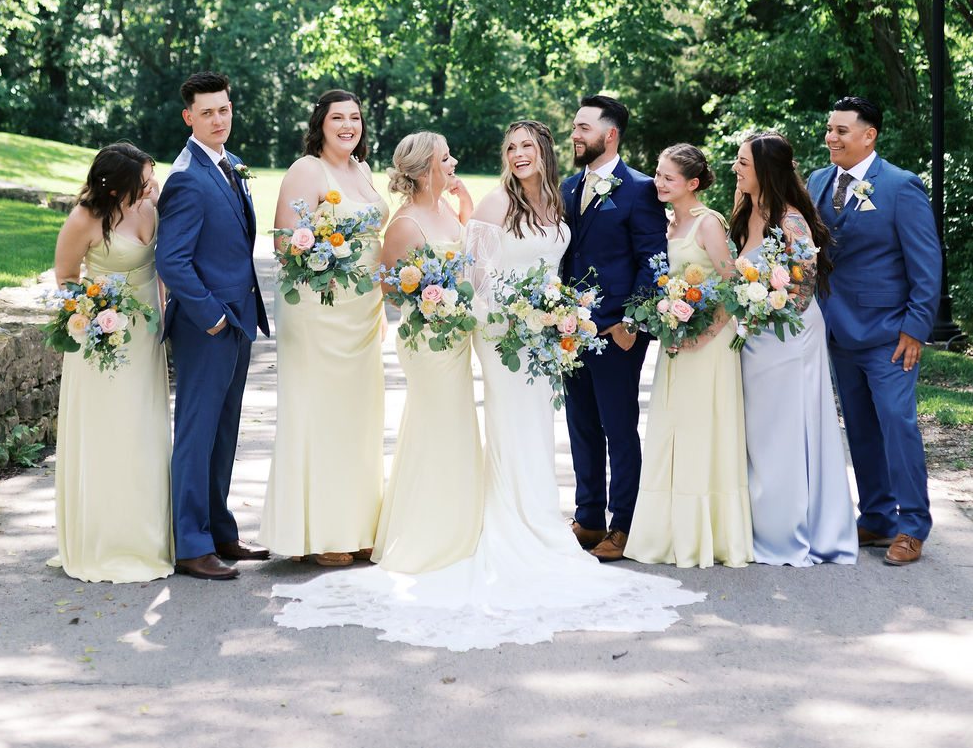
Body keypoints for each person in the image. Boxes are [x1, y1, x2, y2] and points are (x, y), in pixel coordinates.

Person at [270, 119, 703, 648]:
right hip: (504, 334)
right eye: (511, 146)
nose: (518, 154)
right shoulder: (498, 205)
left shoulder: (560, 200)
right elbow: (474, 279)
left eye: (527, 146)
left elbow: (566, 264)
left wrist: (557, 314)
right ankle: (512, 529)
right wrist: (515, 314)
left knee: (536, 429)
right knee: (513, 424)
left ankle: (537, 520)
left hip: (546, 335)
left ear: (544, 151)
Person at [809, 96, 941, 566]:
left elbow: (926, 264)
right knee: (860, 428)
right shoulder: (817, 181)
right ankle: (878, 517)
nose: (831, 137)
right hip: (836, 329)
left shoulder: (901, 186)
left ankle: (913, 525)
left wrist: (915, 329)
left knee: (897, 425)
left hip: (889, 333)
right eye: (829, 129)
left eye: (841, 130)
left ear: (869, 136)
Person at [260, 89, 388, 565]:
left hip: (362, 312)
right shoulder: (307, 170)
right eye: (338, 118)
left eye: (355, 117)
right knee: (319, 413)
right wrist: (326, 259)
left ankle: (356, 525)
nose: (348, 126)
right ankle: (318, 534)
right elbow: (283, 242)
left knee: (359, 416)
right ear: (321, 124)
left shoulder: (363, 170)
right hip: (318, 310)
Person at [156, 70, 270, 580]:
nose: (218, 119)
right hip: (208, 327)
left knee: (224, 431)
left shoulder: (229, 163)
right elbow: (172, 261)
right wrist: (213, 317)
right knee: (197, 433)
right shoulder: (186, 177)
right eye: (207, 112)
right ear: (189, 117)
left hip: (237, 319)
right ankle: (191, 545)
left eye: (223, 109)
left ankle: (221, 531)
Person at [732, 133, 858, 566]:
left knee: (786, 429)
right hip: (753, 336)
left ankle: (789, 531)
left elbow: (803, 286)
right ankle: (759, 523)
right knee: (758, 431)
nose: (735, 169)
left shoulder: (792, 221)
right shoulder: (745, 210)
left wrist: (761, 309)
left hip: (788, 336)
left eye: (743, 163)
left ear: (765, 170)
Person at [625, 145, 753, 568]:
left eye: (668, 178)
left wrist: (705, 335)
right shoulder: (666, 222)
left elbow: (732, 286)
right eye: (657, 174)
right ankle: (667, 531)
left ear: (692, 183)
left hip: (708, 345)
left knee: (700, 429)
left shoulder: (708, 222)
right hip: (676, 340)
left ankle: (706, 533)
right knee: (671, 427)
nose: (658, 182)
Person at [51, 143, 173, 583]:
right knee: (110, 430)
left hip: (146, 336)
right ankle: (107, 538)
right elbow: (66, 278)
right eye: (143, 181)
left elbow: (162, 267)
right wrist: (94, 315)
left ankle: (150, 535)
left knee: (144, 428)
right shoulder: (85, 218)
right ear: (116, 187)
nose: (151, 185)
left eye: (151, 177)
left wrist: (166, 317)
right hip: (103, 344)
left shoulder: (151, 207)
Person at [559, 95, 668, 560]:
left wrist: (631, 323)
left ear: (610, 135)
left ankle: (624, 524)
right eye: (575, 127)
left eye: (583, 128)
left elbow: (654, 261)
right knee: (580, 425)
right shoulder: (567, 187)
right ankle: (588, 518)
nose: (574, 135)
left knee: (618, 429)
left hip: (617, 333)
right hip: (570, 331)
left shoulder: (640, 189)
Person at [370, 131, 482, 573]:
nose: (453, 163)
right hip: (427, 343)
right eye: (446, 158)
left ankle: (458, 523)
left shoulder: (445, 209)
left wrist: (466, 204)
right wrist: (432, 298)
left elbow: (468, 254)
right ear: (422, 171)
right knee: (438, 425)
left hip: (455, 340)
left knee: (456, 426)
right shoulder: (405, 224)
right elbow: (389, 288)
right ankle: (430, 533)